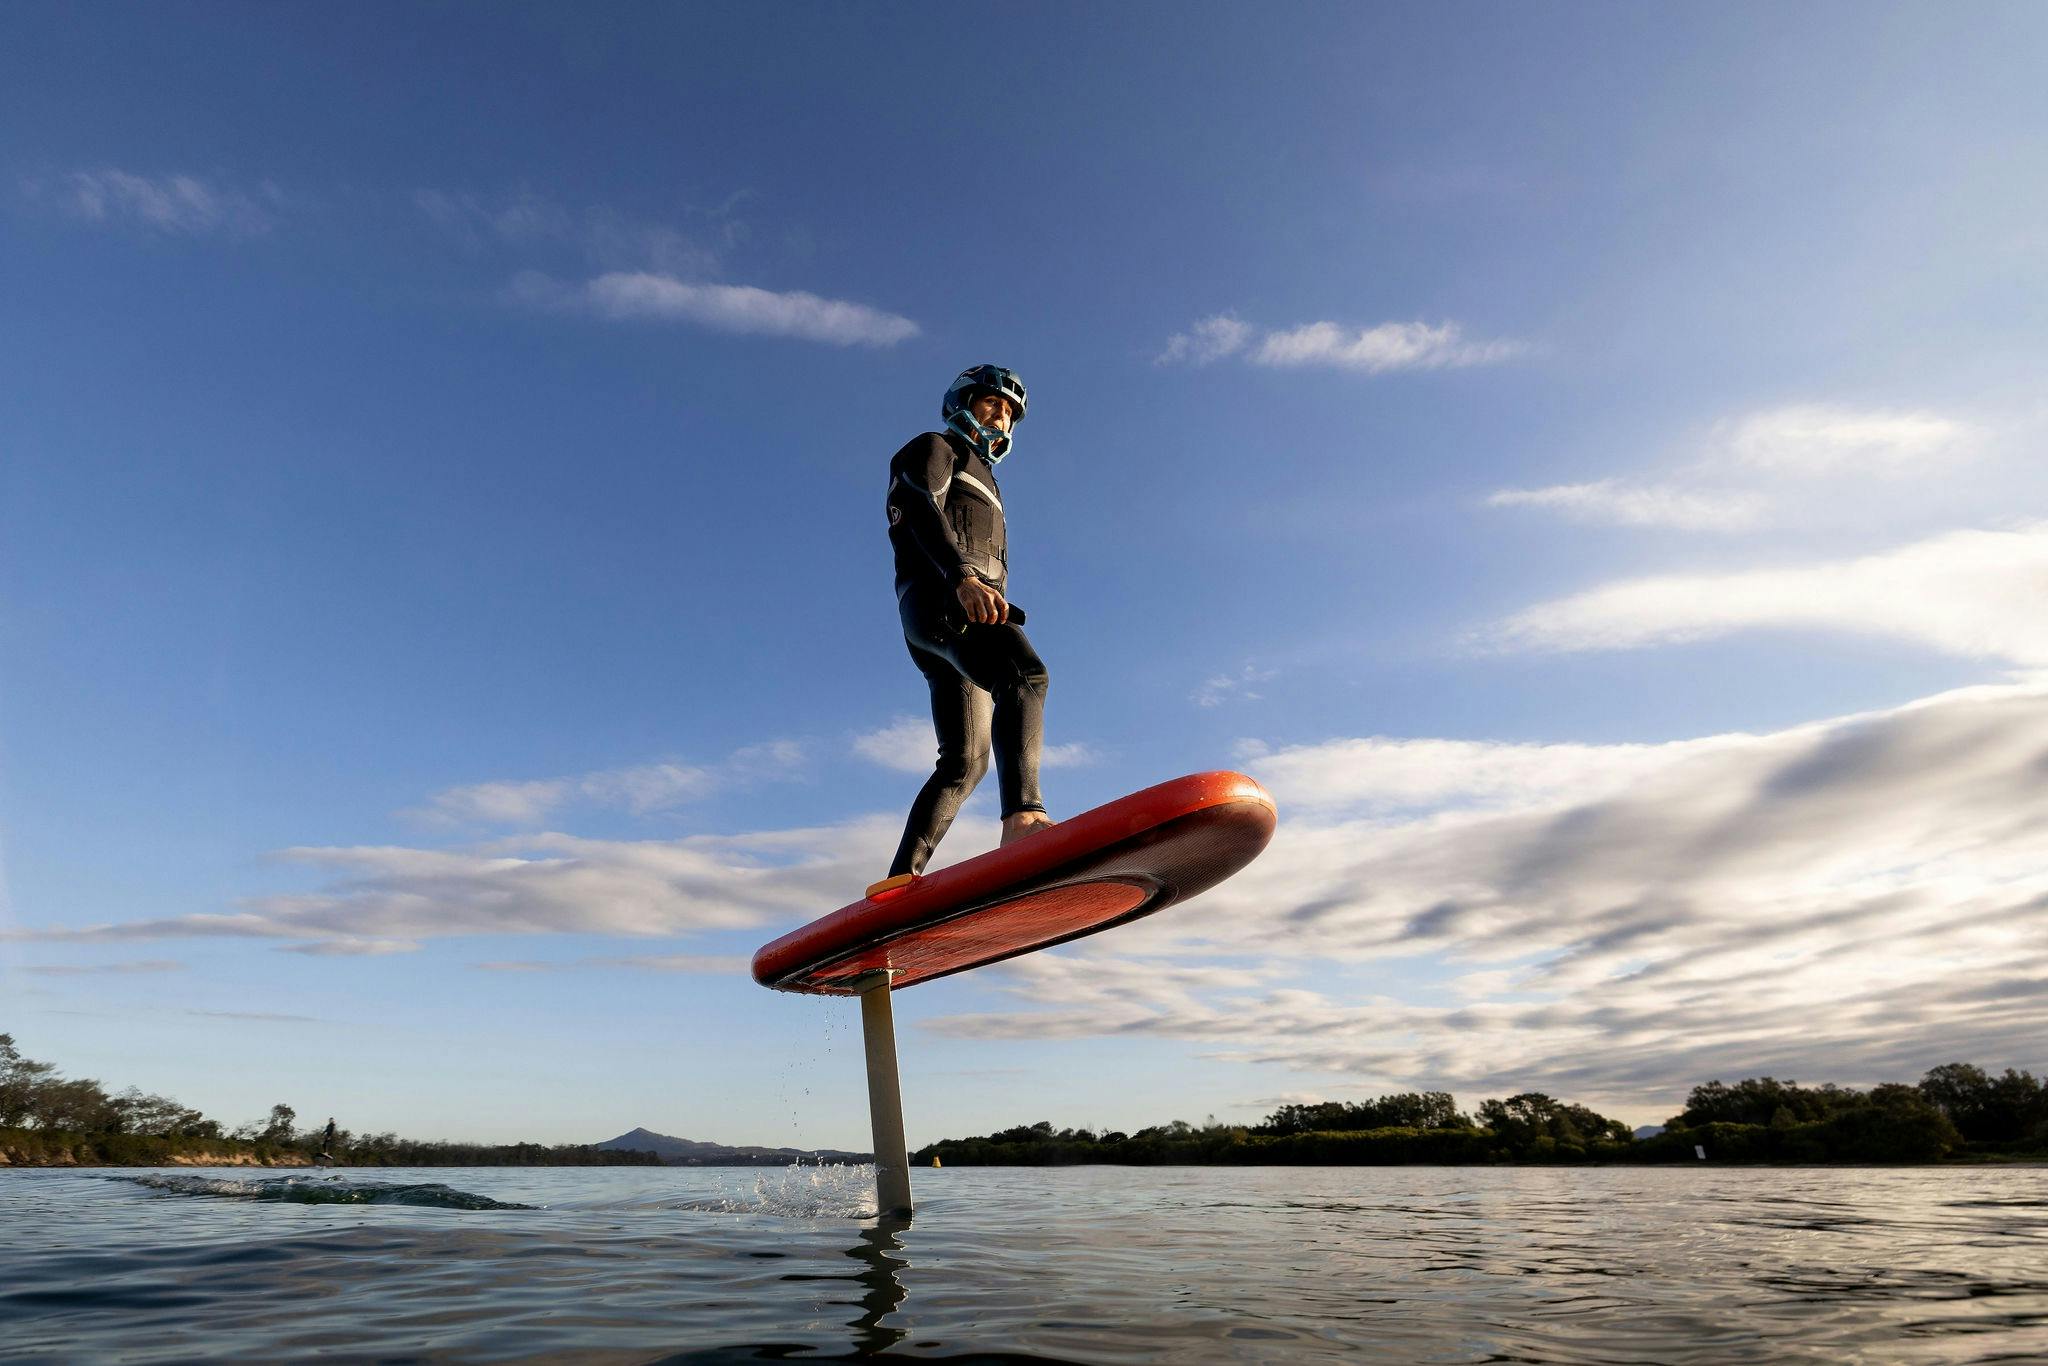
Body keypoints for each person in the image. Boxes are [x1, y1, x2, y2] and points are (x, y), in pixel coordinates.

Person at [878, 365, 1054, 888]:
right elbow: (916, 506)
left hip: (944, 614)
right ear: (963, 402)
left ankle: (897, 887)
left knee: (965, 761)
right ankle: (1024, 819)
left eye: (1009, 412)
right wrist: (962, 579)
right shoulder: (935, 448)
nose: (1000, 416)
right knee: (1025, 676)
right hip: (944, 600)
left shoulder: (990, 480)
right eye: (991, 403)